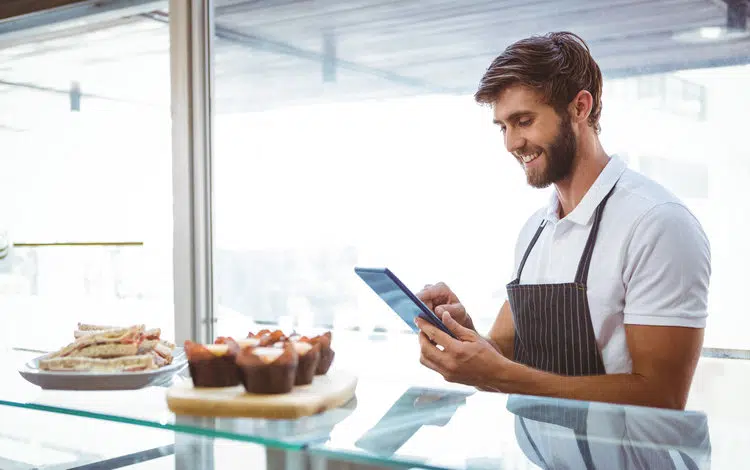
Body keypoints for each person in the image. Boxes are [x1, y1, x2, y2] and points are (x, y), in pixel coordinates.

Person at [414, 31, 710, 410]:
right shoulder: (536, 231)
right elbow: (503, 357)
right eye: (503, 127)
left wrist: (496, 373)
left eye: (524, 121)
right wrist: (462, 332)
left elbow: (661, 398)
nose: (511, 144)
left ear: (580, 108)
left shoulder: (657, 224)